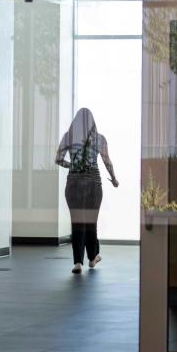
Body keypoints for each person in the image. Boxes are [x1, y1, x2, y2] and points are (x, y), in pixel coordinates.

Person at [55, 108, 118, 274]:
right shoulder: (99, 139)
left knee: (77, 222)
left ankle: (78, 262)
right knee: (90, 222)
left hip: (73, 183)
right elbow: (107, 162)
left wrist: (73, 166)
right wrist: (114, 179)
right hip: (93, 183)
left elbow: (58, 159)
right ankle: (92, 257)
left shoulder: (68, 137)